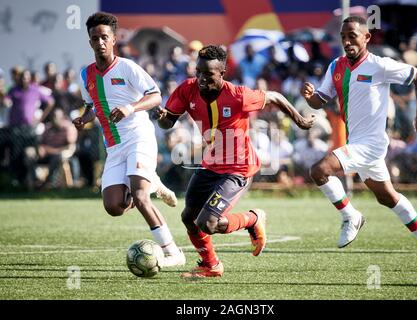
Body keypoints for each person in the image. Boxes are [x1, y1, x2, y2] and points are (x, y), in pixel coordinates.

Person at [154, 45, 315, 278]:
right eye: (198, 72)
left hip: (238, 169)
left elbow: (275, 96)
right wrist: (162, 119)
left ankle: (252, 219)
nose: (200, 78)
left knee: (207, 223)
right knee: (188, 217)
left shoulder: (239, 95)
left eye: (208, 74)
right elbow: (168, 122)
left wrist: (299, 120)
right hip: (210, 164)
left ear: (222, 73)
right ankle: (211, 265)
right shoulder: (187, 89)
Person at [300, 16, 417, 271]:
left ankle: (350, 216)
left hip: (372, 143)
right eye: (343, 36)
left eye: (352, 35)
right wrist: (310, 98)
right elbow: (320, 100)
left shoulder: (380, 65)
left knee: (319, 170)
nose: (346, 41)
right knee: (387, 197)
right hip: (359, 143)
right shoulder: (336, 66)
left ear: (366, 37)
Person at [72, 12, 184, 267]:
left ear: (113, 40)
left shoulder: (128, 67)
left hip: (139, 138)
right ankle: (151, 181)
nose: (99, 42)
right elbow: (92, 106)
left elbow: (155, 96)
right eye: (94, 38)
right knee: (114, 207)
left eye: (104, 37)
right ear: (90, 42)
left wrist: (131, 107)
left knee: (140, 197)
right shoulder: (85, 75)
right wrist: (84, 118)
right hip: (114, 147)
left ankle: (173, 252)